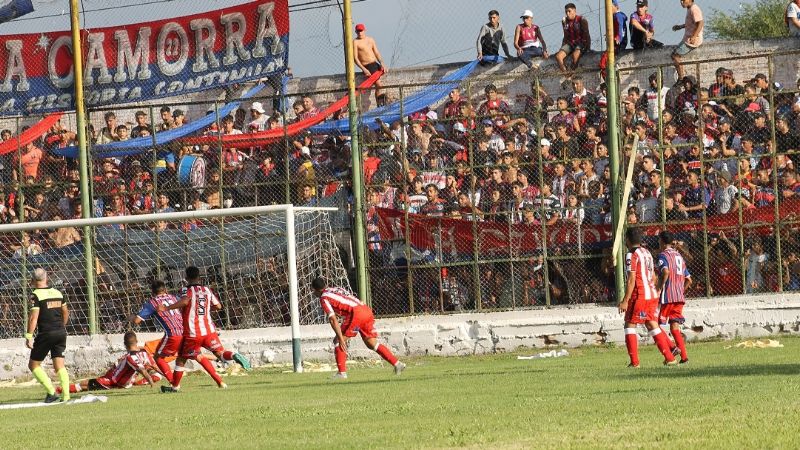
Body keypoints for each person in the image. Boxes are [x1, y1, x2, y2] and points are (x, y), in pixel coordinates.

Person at [159, 266, 251, 393]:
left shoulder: (185, 290)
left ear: (186, 278)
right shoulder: (207, 290)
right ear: (199, 277)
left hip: (192, 333)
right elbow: (218, 306)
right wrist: (205, 309)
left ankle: (175, 387)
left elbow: (185, 301)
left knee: (181, 359)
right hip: (209, 331)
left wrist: (166, 308)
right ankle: (234, 355)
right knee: (220, 353)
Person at [311, 277, 405, 379]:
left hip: (356, 314)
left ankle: (341, 373)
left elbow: (333, 320)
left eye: (313, 290)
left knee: (338, 341)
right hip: (365, 310)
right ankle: (397, 364)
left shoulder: (324, 298)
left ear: (316, 290)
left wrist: (341, 338)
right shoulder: (336, 289)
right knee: (371, 343)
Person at [618, 228, 677, 367]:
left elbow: (631, 279)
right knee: (651, 324)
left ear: (627, 239)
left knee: (629, 325)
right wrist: (655, 290)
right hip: (651, 294)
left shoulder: (631, 254)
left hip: (640, 295)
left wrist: (625, 300)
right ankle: (670, 358)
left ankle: (634, 362)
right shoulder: (647, 252)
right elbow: (654, 275)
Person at [57, 332, 160, 394]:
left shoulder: (131, 357)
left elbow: (142, 370)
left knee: (85, 384)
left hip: (113, 382)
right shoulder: (144, 352)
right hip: (117, 378)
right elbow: (154, 367)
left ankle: (60, 390)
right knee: (157, 376)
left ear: (125, 344)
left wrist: (151, 383)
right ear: (136, 341)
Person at [25, 268, 71, 403]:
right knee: (60, 365)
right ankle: (66, 396)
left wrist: (28, 336)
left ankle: (51, 392)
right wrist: (61, 326)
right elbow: (65, 312)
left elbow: (33, 318)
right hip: (61, 332)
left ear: (32, 280)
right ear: (47, 278)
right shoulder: (58, 292)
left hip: (46, 333)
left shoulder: (35, 295)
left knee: (33, 365)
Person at [129, 280, 184, 383]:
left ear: (152, 292)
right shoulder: (174, 297)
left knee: (158, 357)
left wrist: (131, 317)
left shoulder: (152, 303)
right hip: (186, 331)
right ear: (165, 290)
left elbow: (137, 321)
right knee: (194, 356)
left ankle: (173, 382)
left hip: (172, 334)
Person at [655, 231, 692, 364]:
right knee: (674, 328)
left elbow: (665, 272)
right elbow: (689, 280)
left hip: (668, 297)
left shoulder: (662, 255)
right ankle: (684, 358)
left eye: (659, 240)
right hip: (679, 297)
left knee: (655, 325)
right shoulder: (679, 256)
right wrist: (680, 291)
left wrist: (659, 288)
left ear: (662, 241)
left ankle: (672, 348)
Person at [353, 23, 387, 106]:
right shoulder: (355, 42)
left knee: (379, 86)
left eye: (361, 31)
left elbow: (377, 53)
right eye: (358, 31)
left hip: (375, 64)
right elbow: (355, 58)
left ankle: (380, 102)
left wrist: (382, 63)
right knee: (379, 84)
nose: (360, 33)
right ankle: (379, 103)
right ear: (355, 32)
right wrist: (364, 69)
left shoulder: (370, 39)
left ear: (364, 30)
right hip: (367, 66)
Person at [671, 0, 703, 81]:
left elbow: (700, 23)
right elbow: (691, 23)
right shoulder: (690, 9)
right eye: (680, 0)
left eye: (684, 0)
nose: (681, 2)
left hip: (692, 40)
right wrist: (680, 26)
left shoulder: (694, 9)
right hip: (687, 38)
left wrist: (694, 36)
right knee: (674, 54)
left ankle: (681, 78)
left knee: (675, 55)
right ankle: (681, 78)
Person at [555, 3, 591, 76]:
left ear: (574, 11)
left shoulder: (581, 19)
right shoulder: (564, 21)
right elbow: (565, 35)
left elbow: (587, 34)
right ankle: (566, 74)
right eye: (566, 12)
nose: (567, 14)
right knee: (558, 56)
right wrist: (562, 47)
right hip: (570, 43)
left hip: (581, 42)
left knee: (575, 55)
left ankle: (571, 74)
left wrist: (587, 46)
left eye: (569, 11)